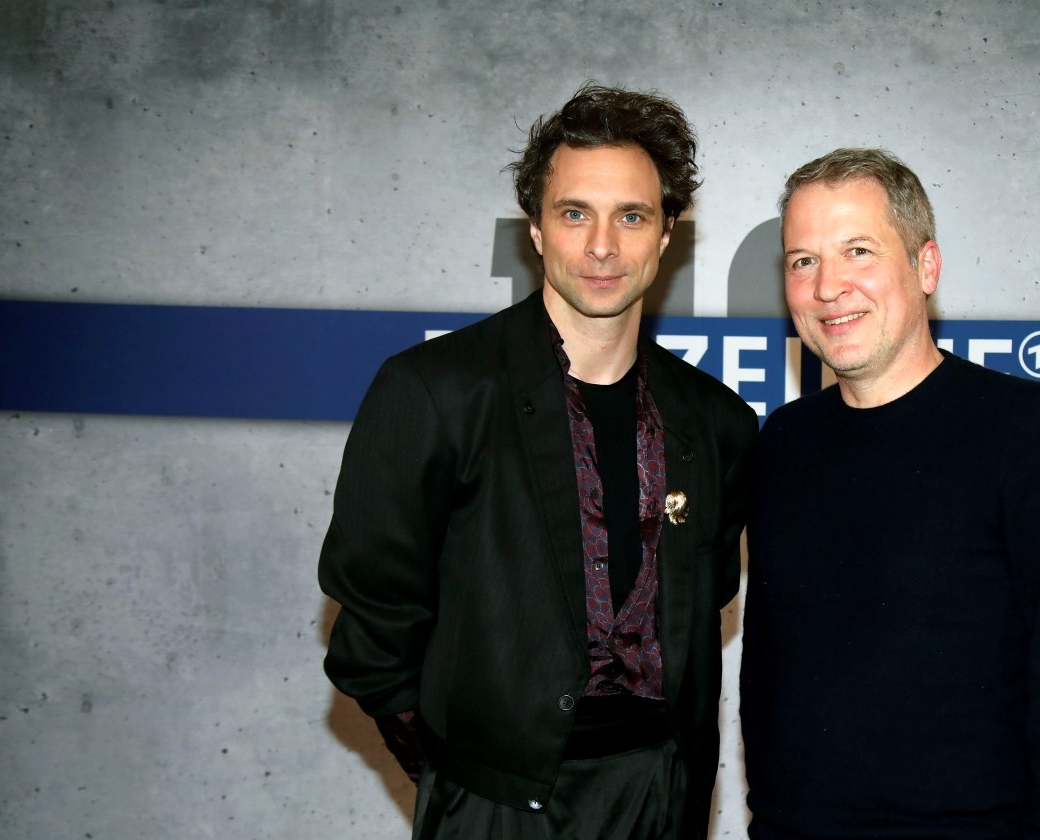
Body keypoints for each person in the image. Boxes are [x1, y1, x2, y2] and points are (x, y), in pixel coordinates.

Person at [320, 83, 757, 840]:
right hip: (494, 803)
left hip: (660, 796)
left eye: (632, 216)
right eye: (574, 212)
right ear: (535, 229)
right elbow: (374, 611)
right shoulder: (435, 390)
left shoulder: (715, 419)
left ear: (665, 235)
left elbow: (709, 588)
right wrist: (465, 770)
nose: (601, 247)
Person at [740, 148, 1040, 839]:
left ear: (926, 266)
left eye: (858, 251)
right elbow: (768, 677)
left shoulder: (1028, 433)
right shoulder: (782, 445)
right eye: (804, 260)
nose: (829, 286)